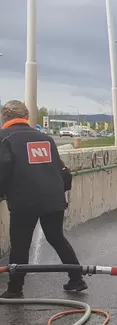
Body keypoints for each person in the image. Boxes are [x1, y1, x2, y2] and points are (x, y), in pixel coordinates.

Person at [0, 100, 87, 298]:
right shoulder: (45, 138)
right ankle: (77, 279)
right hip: (53, 198)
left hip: (25, 201)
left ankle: (15, 289)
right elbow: (61, 170)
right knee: (56, 237)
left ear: (4, 117)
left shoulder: (4, 138)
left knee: (21, 244)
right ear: (27, 117)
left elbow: (2, 171)